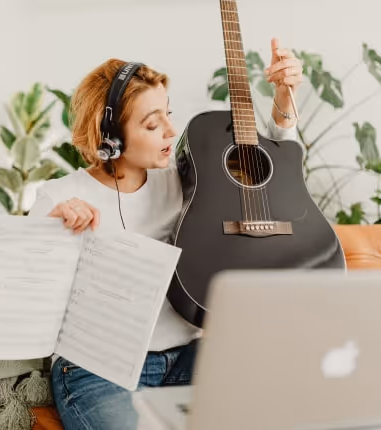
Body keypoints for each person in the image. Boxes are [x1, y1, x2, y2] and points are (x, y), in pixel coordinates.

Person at [28, 37, 303, 430]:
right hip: (99, 369)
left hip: (188, 357)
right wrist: (50, 235)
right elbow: (28, 296)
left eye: (168, 115)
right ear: (110, 136)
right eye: (153, 124)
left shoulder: (188, 183)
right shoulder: (58, 197)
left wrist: (283, 101)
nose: (171, 131)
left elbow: (268, 181)